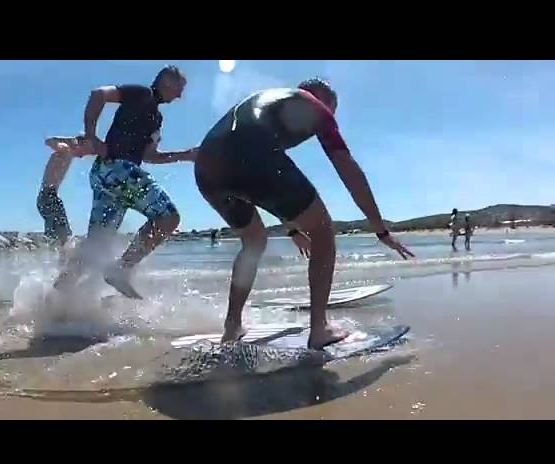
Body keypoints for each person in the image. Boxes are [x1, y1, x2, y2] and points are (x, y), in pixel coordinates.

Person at [194, 78, 415, 350]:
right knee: (323, 231)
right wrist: (380, 229)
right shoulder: (315, 106)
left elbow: (265, 185)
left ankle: (232, 326)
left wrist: (293, 229)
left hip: (206, 167)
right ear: (322, 98)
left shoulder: (268, 101)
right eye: (333, 109)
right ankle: (319, 328)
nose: (331, 117)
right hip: (248, 153)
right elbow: (347, 169)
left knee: (253, 241)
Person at [55, 65, 197, 298]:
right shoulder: (142, 93)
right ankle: (120, 270)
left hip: (107, 174)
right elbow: (98, 94)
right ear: (166, 82)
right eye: (179, 89)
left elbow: (149, 156)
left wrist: (185, 155)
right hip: (119, 171)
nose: (180, 96)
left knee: (94, 248)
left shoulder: (156, 117)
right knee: (168, 217)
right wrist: (91, 137)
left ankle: (51, 303)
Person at [37, 134, 93, 246]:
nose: (83, 156)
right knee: (64, 237)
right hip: (49, 197)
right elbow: (48, 141)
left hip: (47, 197)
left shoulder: (69, 153)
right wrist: (69, 141)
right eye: (84, 150)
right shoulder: (65, 149)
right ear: (78, 145)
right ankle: (62, 261)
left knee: (55, 237)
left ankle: (54, 260)